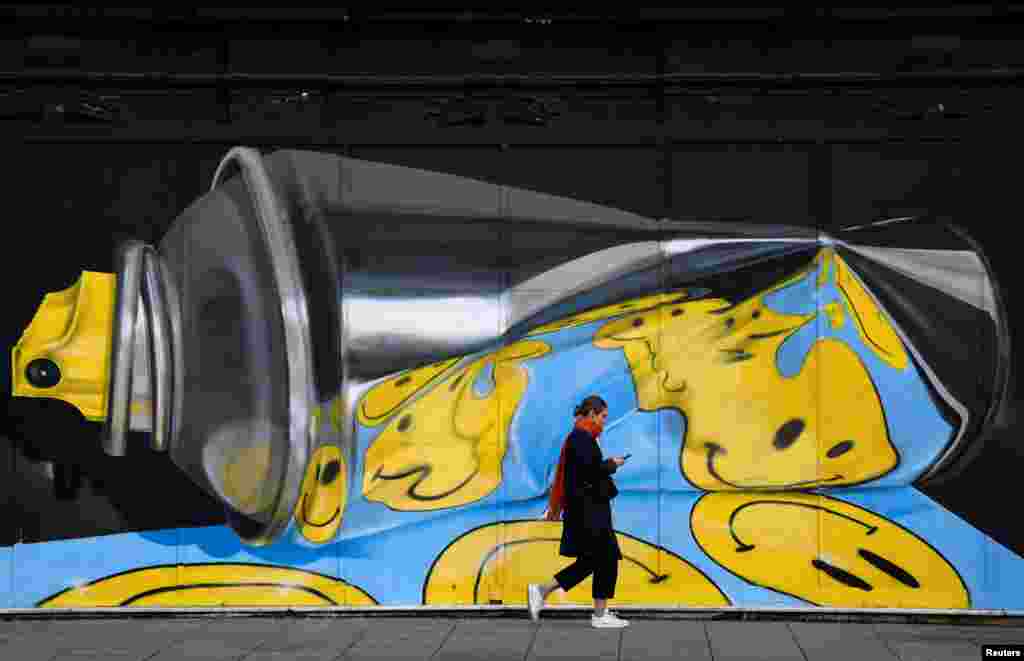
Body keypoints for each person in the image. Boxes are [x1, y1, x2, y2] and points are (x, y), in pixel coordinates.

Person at [528, 395, 629, 628]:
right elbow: (591, 472)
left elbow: (585, 472)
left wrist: (607, 465)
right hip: (588, 510)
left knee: (595, 560)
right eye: (603, 416)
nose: (604, 421)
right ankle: (598, 614)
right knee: (605, 557)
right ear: (592, 413)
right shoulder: (581, 438)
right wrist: (612, 464)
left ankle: (544, 591)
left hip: (587, 509)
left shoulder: (582, 437)